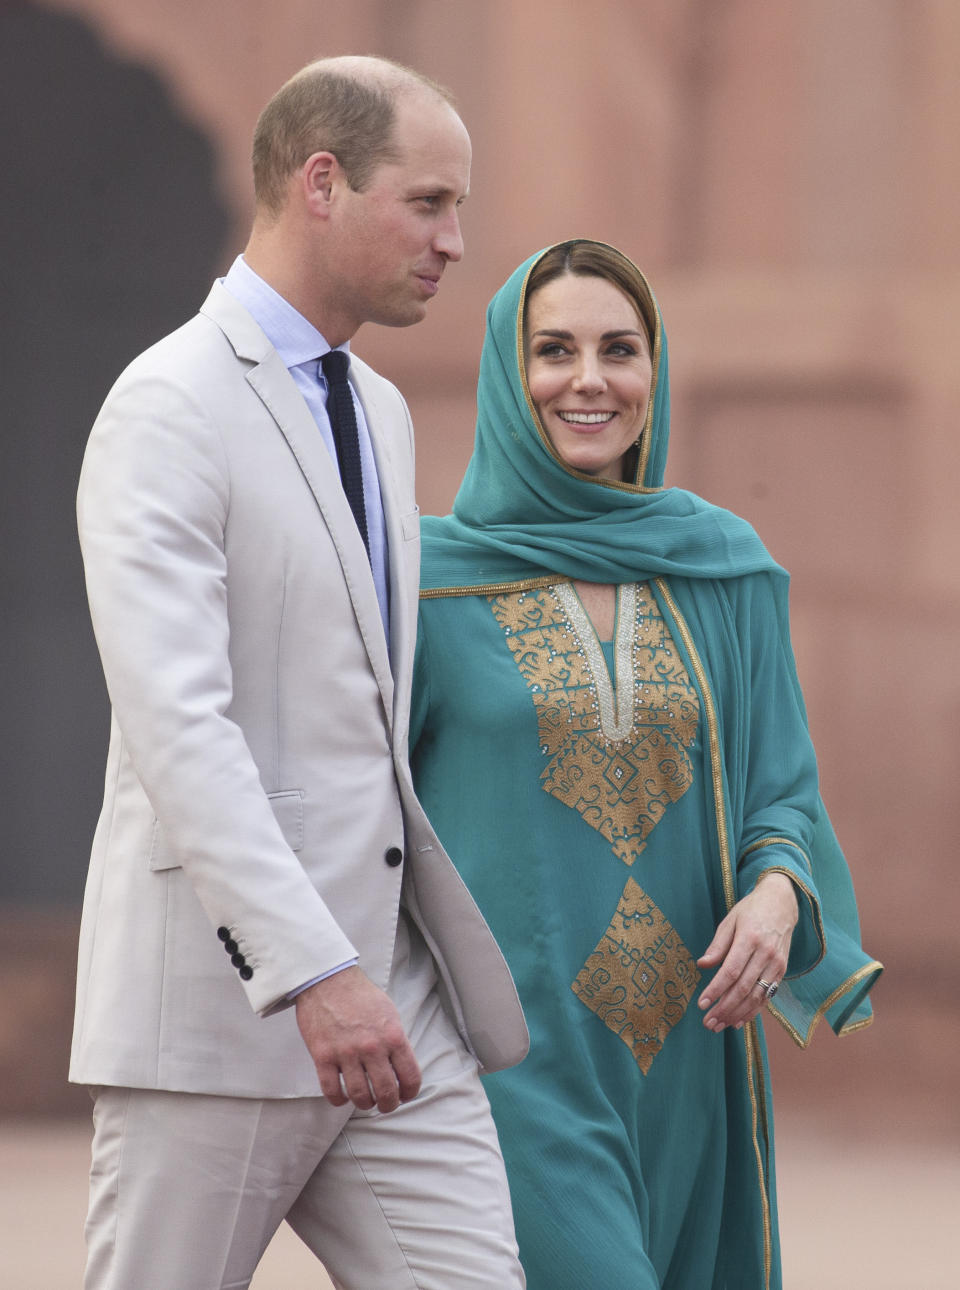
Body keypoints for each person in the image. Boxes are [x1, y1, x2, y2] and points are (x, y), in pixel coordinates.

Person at [70, 56, 528, 1290]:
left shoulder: (378, 408)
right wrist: (310, 968)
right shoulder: (165, 406)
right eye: (428, 203)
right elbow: (178, 724)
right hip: (221, 1017)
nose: (455, 240)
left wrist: (369, 969)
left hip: (397, 1008)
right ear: (321, 182)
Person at [410, 239, 882, 1290]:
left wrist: (774, 895)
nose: (589, 379)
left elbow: (780, 788)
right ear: (505, 373)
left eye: (619, 350)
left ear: (653, 374)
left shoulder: (723, 567)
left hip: (688, 1052)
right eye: (553, 351)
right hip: (509, 1060)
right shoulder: (422, 584)